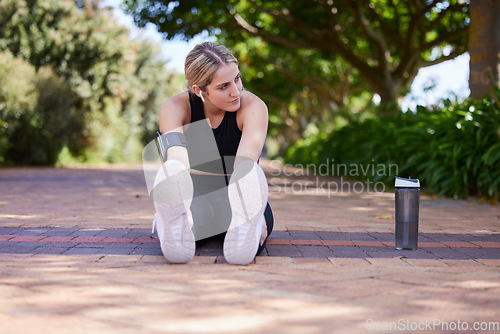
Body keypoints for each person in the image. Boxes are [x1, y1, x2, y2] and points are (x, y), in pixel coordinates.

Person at [150, 42, 273, 265]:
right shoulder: (176, 108)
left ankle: (247, 225)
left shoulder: (253, 107)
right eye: (223, 86)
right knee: (187, 229)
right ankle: (175, 227)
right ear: (198, 90)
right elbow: (176, 162)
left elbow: (245, 164)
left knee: (244, 195)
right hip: (195, 198)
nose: (236, 91)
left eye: (237, 78)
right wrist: (182, 205)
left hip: (239, 196)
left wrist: (254, 211)